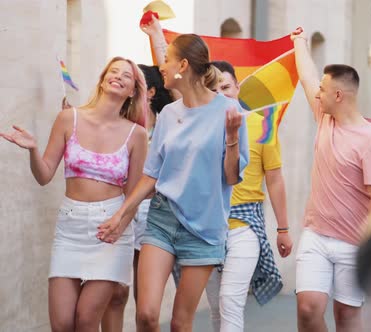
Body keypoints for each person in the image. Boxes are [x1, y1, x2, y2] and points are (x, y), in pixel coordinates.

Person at [96, 33, 249, 332]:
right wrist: (121, 215)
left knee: (180, 323)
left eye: (166, 61)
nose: (162, 67)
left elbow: (231, 177)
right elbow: (151, 175)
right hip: (163, 219)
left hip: (204, 229)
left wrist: (232, 139)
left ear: (182, 65)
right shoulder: (168, 114)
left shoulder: (230, 112)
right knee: (147, 315)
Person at [1, 57, 148, 332]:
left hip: (110, 230)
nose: (118, 76)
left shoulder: (137, 135)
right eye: (113, 71)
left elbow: (134, 196)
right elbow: (44, 175)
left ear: (132, 91)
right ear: (103, 80)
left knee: (86, 320)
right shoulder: (69, 118)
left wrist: (120, 225)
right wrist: (33, 149)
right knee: (62, 324)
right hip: (70, 228)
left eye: (126, 75)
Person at [290, 27, 371, 331]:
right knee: (308, 309)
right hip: (316, 236)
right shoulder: (324, 118)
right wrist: (300, 43)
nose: (317, 93)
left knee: (346, 318)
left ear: (338, 94)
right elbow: (308, 77)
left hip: (354, 244)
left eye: (323, 90)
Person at [205, 60, 293, 331]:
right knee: (216, 307)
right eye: (214, 89)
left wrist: (283, 228)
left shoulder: (263, 125)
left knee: (230, 300)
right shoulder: (200, 126)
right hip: (206, 228)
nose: (221, 94)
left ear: (237, 87)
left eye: (226, 87)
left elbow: (275, 179)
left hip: (245, 226)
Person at [101, 64, 174, 332]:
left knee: (146, 308)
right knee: (115, 292)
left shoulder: (168, 121)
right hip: (123, 212)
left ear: (150, 91)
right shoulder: (120, 124)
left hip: (155, 217)